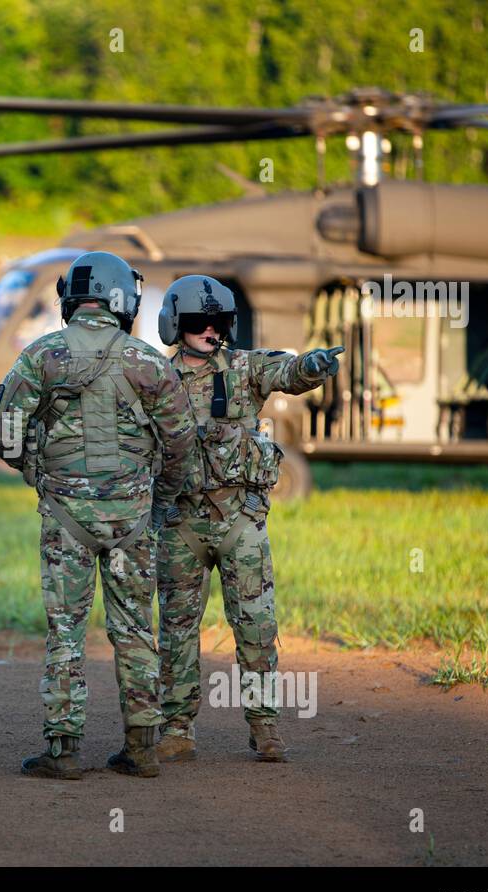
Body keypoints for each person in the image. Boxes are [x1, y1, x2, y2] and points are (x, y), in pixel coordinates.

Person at [0, 251, 193, 779]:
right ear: (123, 298)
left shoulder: (40, 356)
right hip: (132, 521)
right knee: (135, 629)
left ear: (70, 300)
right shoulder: (148, 361)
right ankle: (144, 747)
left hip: (65, 517)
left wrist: (38, 470)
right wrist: (156, 497)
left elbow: (4, 433)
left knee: (66, 631)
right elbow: (179, 442)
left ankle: (63, 751)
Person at [154, 274, 342, 762]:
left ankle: (265, 727)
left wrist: (314, 366)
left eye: (219, 321)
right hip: (181, 522)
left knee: (256, 626)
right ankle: (177, 729)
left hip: (241, 520)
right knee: (176, 629)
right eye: (198, 321)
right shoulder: (154, 377)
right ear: (176, 323)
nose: (210, 330)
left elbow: (288, 372)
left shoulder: (243, 367)